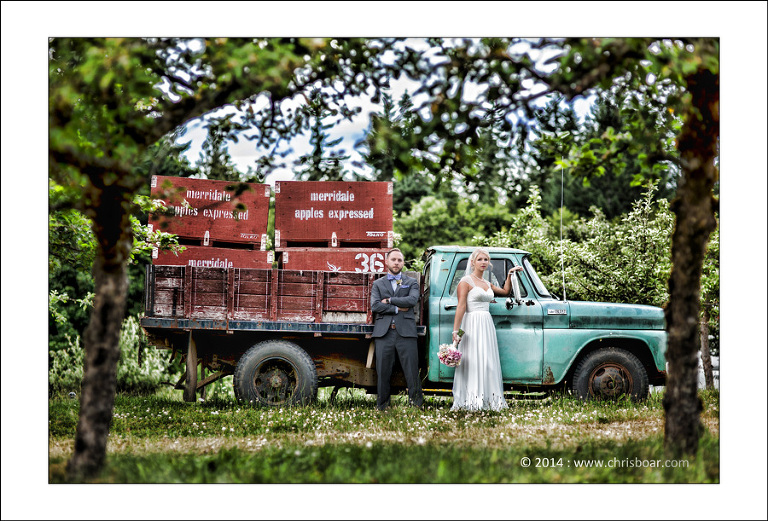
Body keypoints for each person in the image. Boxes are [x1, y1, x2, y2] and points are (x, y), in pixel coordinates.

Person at [451, 247, 523, 411]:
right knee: (474, 359)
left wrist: (511, 274)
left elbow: (505, 291)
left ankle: (488, 398)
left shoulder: (486, 283)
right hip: (471, 323)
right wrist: (456, 332)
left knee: (487, 360)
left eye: (486, 260)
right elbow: (461, 306)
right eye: (480, 259)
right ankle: (472, 399)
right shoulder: (466, 282)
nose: (483, 262)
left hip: (486, 323)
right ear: (473, 262)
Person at [370, 248, 424, 411]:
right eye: (393, 259)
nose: (396, 263)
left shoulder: (411, 282)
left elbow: (412, 300)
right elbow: (375, 305)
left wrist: (390, 300)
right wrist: (395, 309)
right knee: (383, 371)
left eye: (399, 260)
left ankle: (416, 404)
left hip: (406, 332)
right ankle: (382, 406)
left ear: (403, 263)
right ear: (387, 262)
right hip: (384, 333)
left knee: (411, 370)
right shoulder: (378, 284)